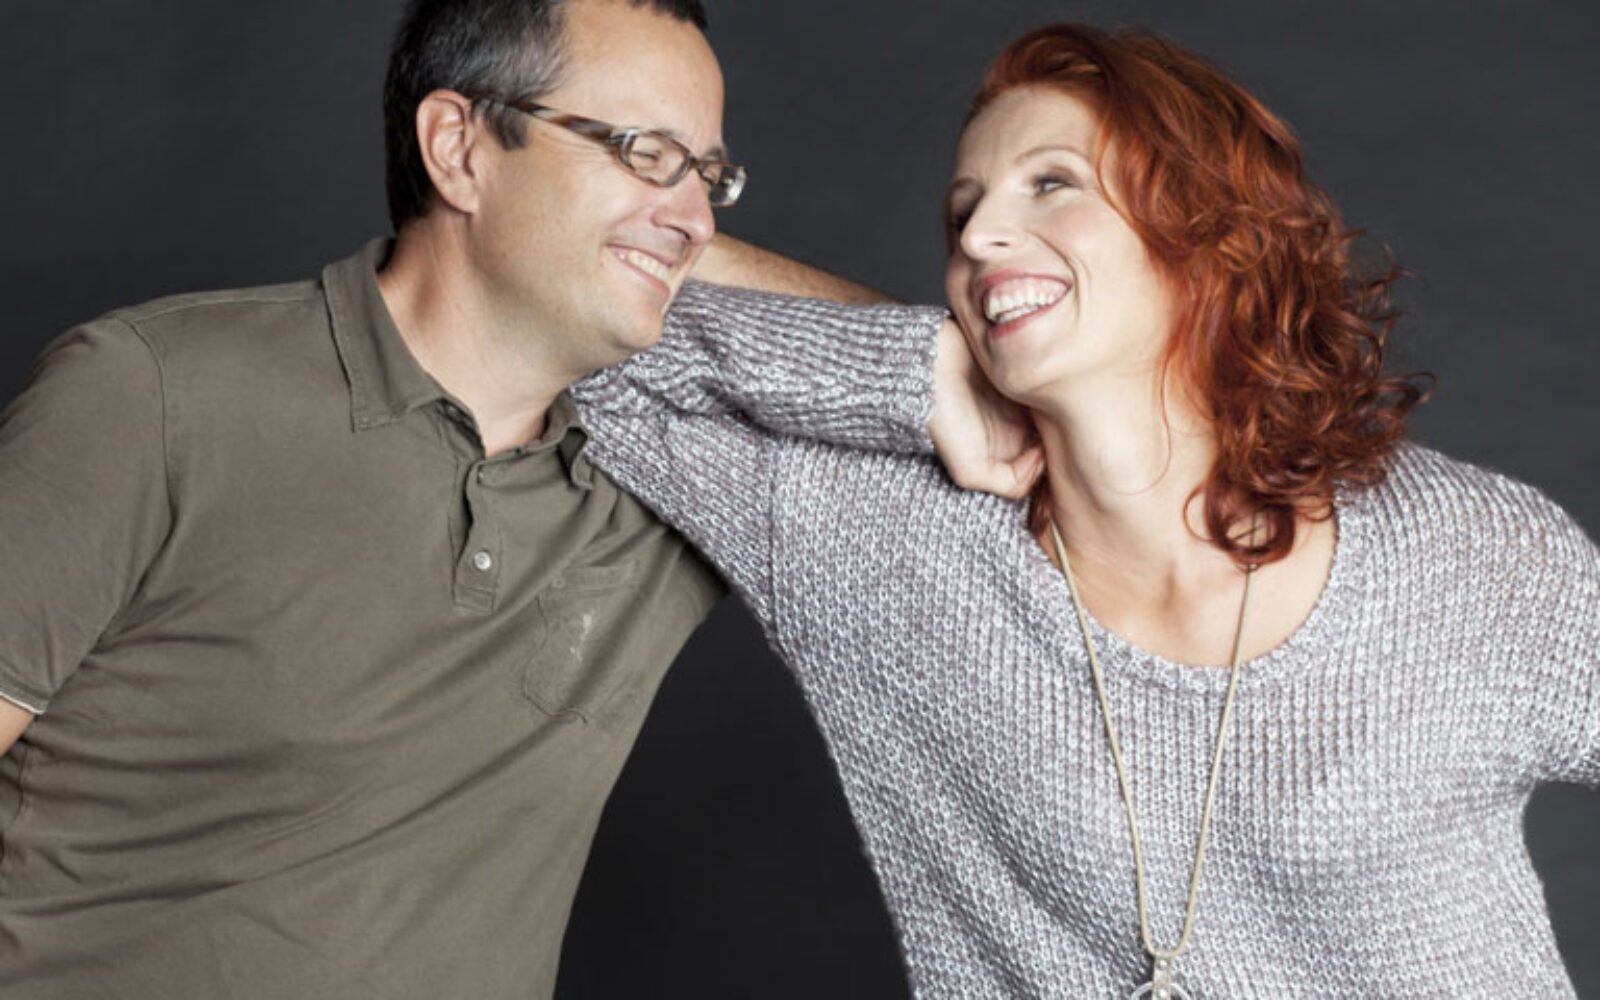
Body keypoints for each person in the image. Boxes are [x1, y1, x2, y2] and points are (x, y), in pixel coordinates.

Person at [572, 22, 1600, 998]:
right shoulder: (884, 544)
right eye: (962, 213)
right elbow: (575, 325)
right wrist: (913, 361)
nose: (980, 236)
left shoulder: (1471, 560)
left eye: (1051, 184)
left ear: (1206, 231)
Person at [0, 1, 978, 996]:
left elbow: (947, 388)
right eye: (642, 152)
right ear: (458, 149)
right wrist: (639, 236)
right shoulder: (154, 396)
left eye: (707, 175)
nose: (697, 215)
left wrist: (657, 236)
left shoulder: (677, 476)